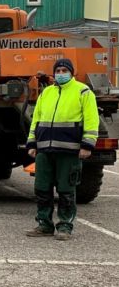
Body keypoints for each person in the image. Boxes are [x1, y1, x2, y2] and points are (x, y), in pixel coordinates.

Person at [25, 58, 98, 240]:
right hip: (44, 151)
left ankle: (65, 226)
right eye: (58, 70)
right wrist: (32, 143)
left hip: (69, 150)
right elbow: (36, 119)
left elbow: (91, 119)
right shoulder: (46, 93)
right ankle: (44, 224)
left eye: (65, 70)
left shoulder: (83, 91)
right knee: (42, 188)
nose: (61, 73)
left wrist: (87, 144)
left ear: (71, 73)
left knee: (66, 189)